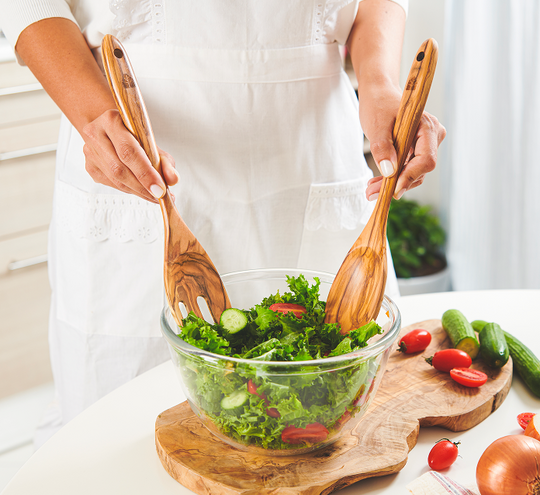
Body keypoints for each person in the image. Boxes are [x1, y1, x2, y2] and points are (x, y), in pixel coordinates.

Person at [0, 0, 446, 445]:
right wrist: (93, 116)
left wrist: (380, 84)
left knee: (330, 438)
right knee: (120, 443)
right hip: (132, 139)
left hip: (311, 144)